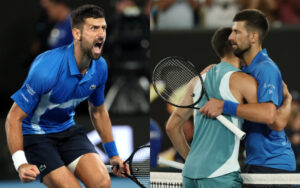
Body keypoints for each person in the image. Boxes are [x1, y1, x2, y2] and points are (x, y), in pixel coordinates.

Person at [5, 4, 129, 187]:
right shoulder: (47, 69)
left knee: (102, 183)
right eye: (93, 28)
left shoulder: (100, 67)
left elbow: (98, 111)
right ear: (77, 34)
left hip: (67, 131)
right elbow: (13, 118)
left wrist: (113, 154)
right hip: (36, 135)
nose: (101, 34)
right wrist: (20, 164)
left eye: (103, 28)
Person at [200, 9, 296, 173]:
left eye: (237, 32)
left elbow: (269, 116)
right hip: (256, 161)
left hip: (273, 164)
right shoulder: (244, 70)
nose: (231, 37)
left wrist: (224, 106)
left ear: (253, 37)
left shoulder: (266, 69)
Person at [166, 27, 259, 188]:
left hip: (190, 175)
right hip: (220, 175)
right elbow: (268, 116)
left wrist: (192, 159)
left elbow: (172, 126)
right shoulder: (243, 80)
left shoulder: (197, 80)